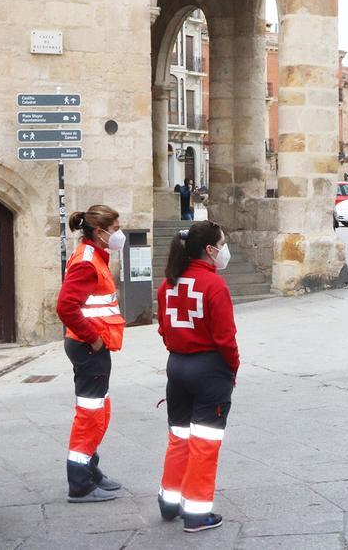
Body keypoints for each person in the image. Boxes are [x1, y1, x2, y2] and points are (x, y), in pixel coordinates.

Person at [156, 221, 239, 533]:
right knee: (205, 441)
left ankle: (169, 501)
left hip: (176, 366)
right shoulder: (214, 285)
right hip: (209, 369)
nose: (224, 249)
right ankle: (197, 513)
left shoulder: (168, 284)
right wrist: (231, 369)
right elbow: (226, 339)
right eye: (222, 242)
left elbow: (163, 329)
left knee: (178, 437)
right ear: (210, 249)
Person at [56, 205, 127, 503]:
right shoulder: (87, 261)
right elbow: (65, 306)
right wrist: (94, 339)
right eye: (115, 227)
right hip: (89, 347)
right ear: (100, 232)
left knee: (98, 410)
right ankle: (80, 483)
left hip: (92, 346)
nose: (119, 233)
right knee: (90, 414)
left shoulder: (93, 254)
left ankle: (90, 470)